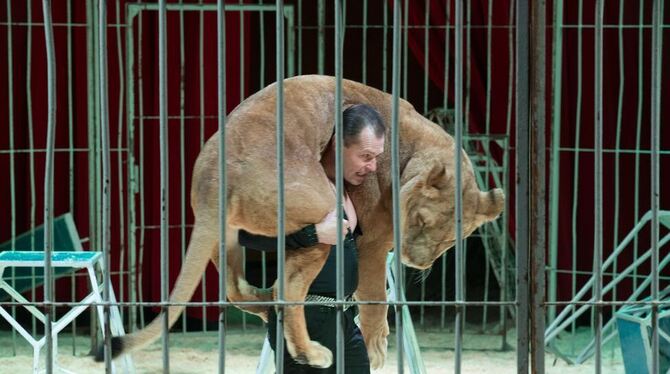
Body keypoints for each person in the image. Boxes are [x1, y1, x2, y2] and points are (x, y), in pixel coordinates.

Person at [238, 103, 386, 373]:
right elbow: (244, 234)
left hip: (344, 317)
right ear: (338, 146)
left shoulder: (350, 188)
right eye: (365, 156)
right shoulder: (297, 182)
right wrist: (314, 234)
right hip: (303, 320)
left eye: (377, 156)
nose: (373, 166)